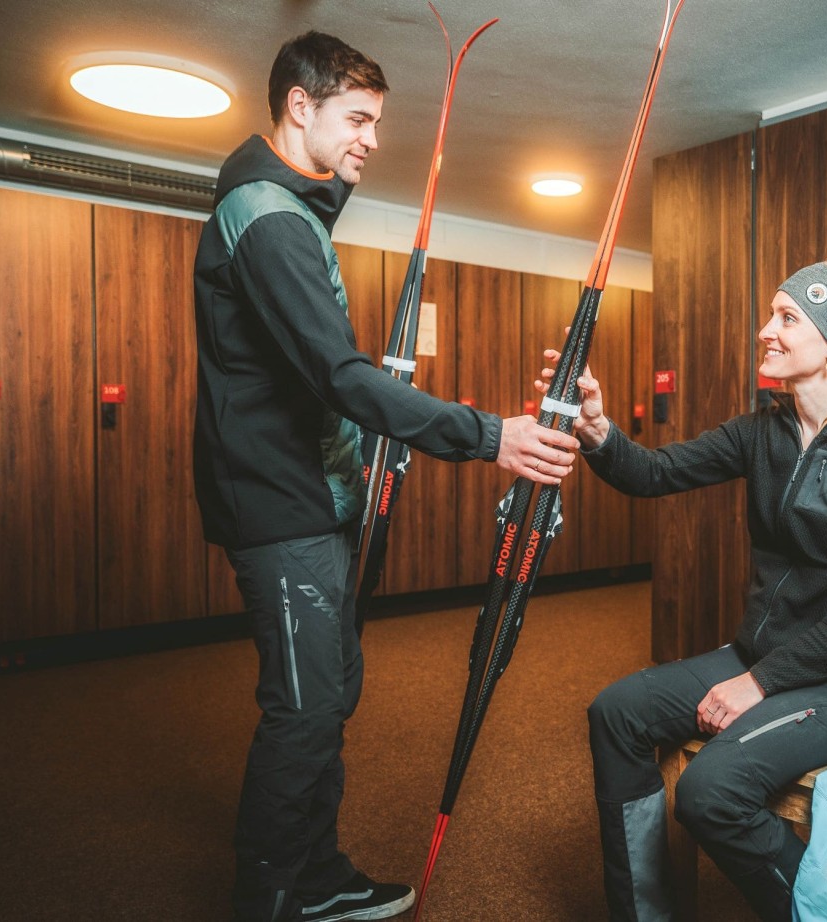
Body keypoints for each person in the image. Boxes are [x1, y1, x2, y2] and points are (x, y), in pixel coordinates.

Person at [193, 31, 579, 922]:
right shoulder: (270, 215)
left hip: (310, 500)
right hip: (278, 509)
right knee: (303, 708)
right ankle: (274, 896)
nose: (370, 137)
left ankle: (314, 873)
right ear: (301, 105)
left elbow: (315, 379)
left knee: (329, 696)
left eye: (376, 122)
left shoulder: (289, 211)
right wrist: (491, 436)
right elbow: (339, 375)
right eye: (357, 118)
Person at [537, 260, 827, 921]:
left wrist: (760, 682)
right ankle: (646, 912)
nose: (764, 331)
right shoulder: (760, 432)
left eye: (786, 319)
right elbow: (654, 473)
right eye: (770, 315)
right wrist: (598, 429)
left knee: (709, 793)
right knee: (617, 711)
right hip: (758, 659)